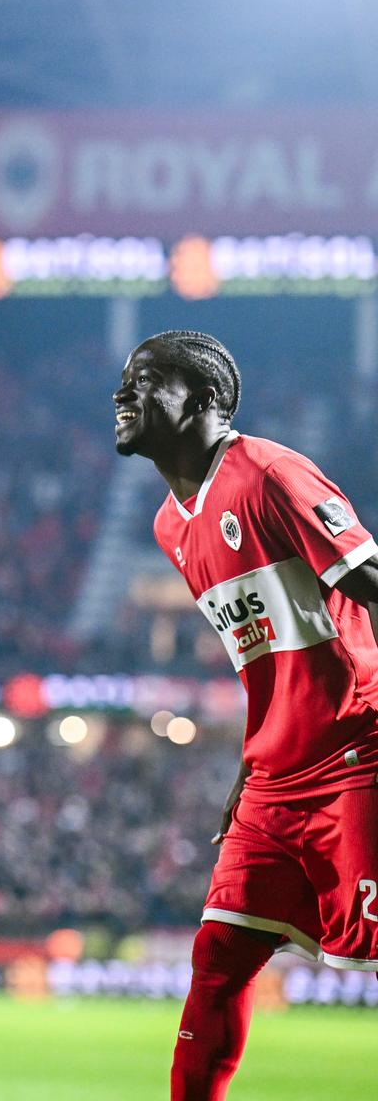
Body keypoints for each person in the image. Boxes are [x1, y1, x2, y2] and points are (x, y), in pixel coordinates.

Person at [114, 331, 378, 1099]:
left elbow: (368, 581)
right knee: (218, 958)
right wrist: (251, 761)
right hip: (274, 779)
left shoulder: (268, 474)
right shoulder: (172, 526)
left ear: (201, 401)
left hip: (356, 755)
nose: (120, 396)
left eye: (143, 381)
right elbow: (270, 657)